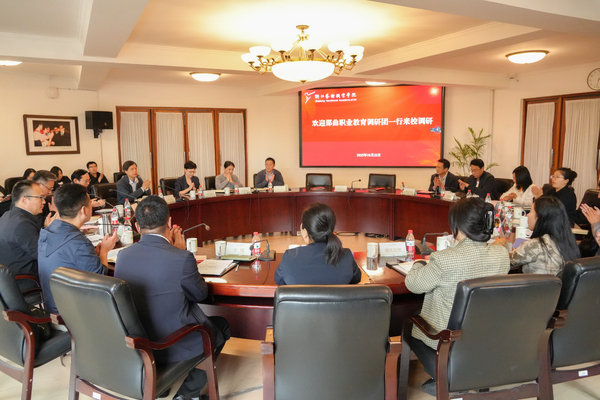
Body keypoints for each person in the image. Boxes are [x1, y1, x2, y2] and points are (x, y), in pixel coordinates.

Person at [114, 196, 230, 400]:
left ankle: (162, 385)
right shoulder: (181, 257)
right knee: (220, 327)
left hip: (137, 343)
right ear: (169, 222)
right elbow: (200, 294)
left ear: (137, 226)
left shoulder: (122, 256)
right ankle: (187, 395)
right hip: (170, 343)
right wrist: (180, 252)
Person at [404, 197, 509, 395]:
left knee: (409, 324)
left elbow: (414, 285)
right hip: (485, 335)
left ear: (457, 226)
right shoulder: (501, 254)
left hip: (449, 340)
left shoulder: (445, 259)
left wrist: (418, 264)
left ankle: (446, 377)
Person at [38, 184, 117, 314]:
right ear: (83, 210)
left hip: (52, 304)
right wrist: (104, 251)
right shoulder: (78, 243)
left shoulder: (48, 230)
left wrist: (94, 254)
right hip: (72, 313)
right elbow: (101, 280)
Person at [274, 203, 362, 285]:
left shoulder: (290, 257)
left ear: (305, 232)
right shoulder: (346, 256)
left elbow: (279, 280)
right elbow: (356, 279)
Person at [495, 196, 579, 275]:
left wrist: (501, 243)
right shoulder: (569, 243)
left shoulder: (536, 245)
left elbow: (503, 261)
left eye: (531, 211)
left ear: (540, 217)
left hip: (532, 285)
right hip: (555, 285)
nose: (527, 215)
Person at [0, 180, 47, 291]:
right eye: (40, 198)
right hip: (26, 282)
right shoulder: (22, 224)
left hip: (9, 281)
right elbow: (44, 256)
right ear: (24, 200)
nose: (44, 202)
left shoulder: (8, 215)